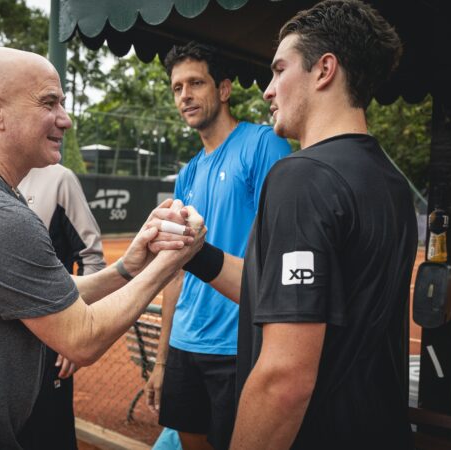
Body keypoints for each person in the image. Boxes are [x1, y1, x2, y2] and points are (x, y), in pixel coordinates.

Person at [0, 47, 204, 449]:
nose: (66, 118)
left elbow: (42, 296)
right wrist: (174, 258)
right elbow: (83, 338)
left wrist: (127, 267)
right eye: (49, 102)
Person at [153, 1, 416, 448]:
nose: (269, 90)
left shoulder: (301, 176)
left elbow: (284, 379)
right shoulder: (392, 181)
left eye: (279, 70)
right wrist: (197, 251)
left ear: (324, 70)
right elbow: (269, 290)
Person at [144, 41, 290, 450]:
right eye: (176, 88)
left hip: (237, 346)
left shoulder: (264, 146)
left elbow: (280, 251)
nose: (185, 95)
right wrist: (162, 358)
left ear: (224, 89)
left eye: (195, 83)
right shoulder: (188, 173)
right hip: (184, 344)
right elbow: (175, 271)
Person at [17, 163, 106, 450]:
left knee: (50, 435)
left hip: (48, 343)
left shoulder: (59, 179)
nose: (60, 122)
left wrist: (74, 329)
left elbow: (92, 258)